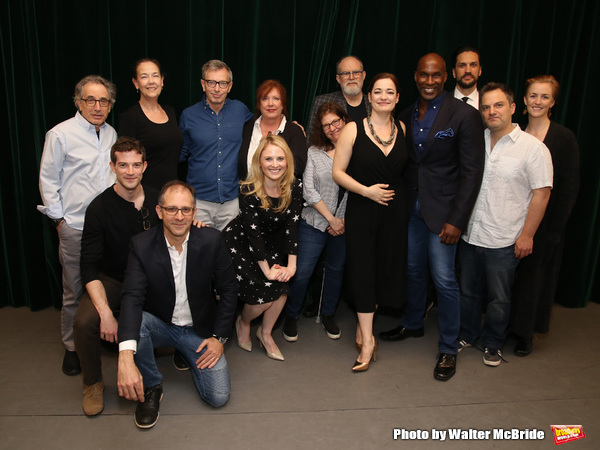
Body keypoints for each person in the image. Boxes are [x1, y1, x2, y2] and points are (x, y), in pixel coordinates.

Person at [380, 53, 485, 382]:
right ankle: (413, 324)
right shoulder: (407, 113)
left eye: (436, 75)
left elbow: (472, 173)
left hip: (444, 214)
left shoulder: (465, 115)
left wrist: (458, 219)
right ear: (415, 76)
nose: (429, 81)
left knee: (444, 280)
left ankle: (449, 348)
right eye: (424, 75)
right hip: (411, 210)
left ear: (446, 77)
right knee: (413, 271)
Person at [117, 181, 238, 429]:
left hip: (198, 330)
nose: (179, 216)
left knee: (218, 396)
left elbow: (229, 289)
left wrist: (219, 338)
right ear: (160, 211)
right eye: (172, 209)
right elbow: (131, 297)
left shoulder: (212, 240)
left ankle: (185, 352)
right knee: (136, 321)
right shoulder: (141, 245)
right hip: (160, 324)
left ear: (195, 213)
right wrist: (125, 356)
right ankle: (152, 386)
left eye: (186, 210)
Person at [459, 82, 553, 367]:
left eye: (498, 105)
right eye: (485, 106)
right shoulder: (474, 140)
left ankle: (492, 343)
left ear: (513, 108)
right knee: (468, 292)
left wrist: (527, 235)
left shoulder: (533, 149)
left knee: (499, 299)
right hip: (470, 234)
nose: (491, 111)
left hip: (504, 239)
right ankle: (468, 334)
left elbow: (541, 193)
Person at [37, 75, 118, 376]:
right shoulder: (60, 134)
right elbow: (48, 180)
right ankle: (72, 347)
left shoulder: (111, 134)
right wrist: (59, 221)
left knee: (105, 285)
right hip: (75, 226)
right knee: (73, 290)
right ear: (79, 102)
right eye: (90, 100)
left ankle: (100, 333)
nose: (97, 106)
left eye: (104, 101)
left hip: (106, 228)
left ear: (110, 105)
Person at [73, 137, 160, 416]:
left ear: (144, 166)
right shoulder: (99, 208)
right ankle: (92, 383)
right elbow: (88, 265)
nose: (130, 171)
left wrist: (192, 220)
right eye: (123, 165)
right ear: (113, 166)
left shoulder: (160, 199)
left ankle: (176, 349)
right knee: (86, 320)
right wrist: (106, 313)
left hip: (150, 278)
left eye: (136, 165)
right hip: (112, 278)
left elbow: (179, 222)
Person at [332, 73, 408, 372]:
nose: (384, 96)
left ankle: (364, 328)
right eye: (378, 91)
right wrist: (367, 191)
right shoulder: (353, 129)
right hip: (363, 209)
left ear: (398, 98)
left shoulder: (401, 128)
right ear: (369, 96)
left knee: (382, 271)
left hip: (394, 213)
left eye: (390, 91)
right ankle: (367, 341)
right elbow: (338, 172)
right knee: (362, 271)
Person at [510, 75, 580, 356]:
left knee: (534, 280)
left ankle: (525, 334)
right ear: (524, 101)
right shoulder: (514, 135)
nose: (538, 101)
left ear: (553, 102)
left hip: (545, 224)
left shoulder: (563, 138)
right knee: (510, 279)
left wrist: (552, 231)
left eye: (545, 97)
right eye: (533, 96)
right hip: (512, 218)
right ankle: (506, 326)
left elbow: (569, 188)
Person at [224, 135, 303, 361]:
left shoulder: (295, 187)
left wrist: (291, 266)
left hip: (275, 243)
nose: (275, 164)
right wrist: (267, 269)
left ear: (287, 161)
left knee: (282, 289)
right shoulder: (249, 189)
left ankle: (266, 333)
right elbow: (253, 234)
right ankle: (244, 322)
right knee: (264, 297)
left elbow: (293, 226)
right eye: (268, 158)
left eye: (280, 158)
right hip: (243, 244)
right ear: (259, 162)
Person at [282, 102, 350, 342]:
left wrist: (340, 221)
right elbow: (308, 191)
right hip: (313, 222)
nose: (332, 128)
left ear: (345, 120)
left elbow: (354, 192)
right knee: (301, 273)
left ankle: (329, 314)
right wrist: (331, 219)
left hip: (343, 225)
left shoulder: (357, 152)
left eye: (336, 122)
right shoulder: (313, 152)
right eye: (326, 125)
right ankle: (291, 315)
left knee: (335, 271)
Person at [179, 59, 253, 229]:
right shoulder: (188, 116)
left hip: (232, 202)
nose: (217, 88)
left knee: (229, 253)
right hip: (199, 203)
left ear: (230, 86)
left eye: (222, 83)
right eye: (212, 82)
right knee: (201, 253)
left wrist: (290, 128)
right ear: (203, 84)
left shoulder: (240, 111)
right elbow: (180, 152)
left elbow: (260, 129)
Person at [118, 59, 183, 191]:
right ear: (136, 83)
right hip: (145, 193)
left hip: (171, 193)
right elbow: (124, 162)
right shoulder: (130, 117)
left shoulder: (170, 111)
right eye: (144, 77)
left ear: (162, 80)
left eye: (155, 75)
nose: (151, 81)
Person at [238, 79, 307, 180]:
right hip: (247, 193)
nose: (270, 103)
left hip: (282, 194)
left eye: (276, 98)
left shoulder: (294, 131)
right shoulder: (247, 128)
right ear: (259, 104)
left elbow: (298, 167)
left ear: (283, 104)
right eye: (265, 99)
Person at [306, 56, 372, 144]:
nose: (351, 77)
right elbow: (311, 141)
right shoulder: (321, 102)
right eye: (346, 73)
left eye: (356, 72)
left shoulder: (374, 104)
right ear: (338, 79)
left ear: (363, 75)